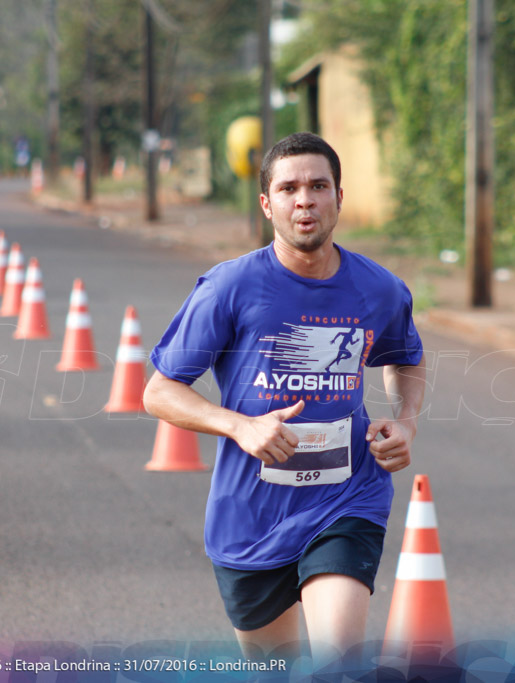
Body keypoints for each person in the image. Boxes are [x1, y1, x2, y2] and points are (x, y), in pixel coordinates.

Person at [143, 132, 426, 667]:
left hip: (347, 499)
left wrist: (406, 421)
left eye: (319, 186)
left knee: (337, 663)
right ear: (267, 204)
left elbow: (405, 357)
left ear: (339, 197)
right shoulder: (228, 288)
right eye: (290, 187)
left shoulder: (380, 290)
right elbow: (160, 392)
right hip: (251, 513)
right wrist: (239, 426)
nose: (305, 200)